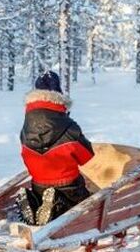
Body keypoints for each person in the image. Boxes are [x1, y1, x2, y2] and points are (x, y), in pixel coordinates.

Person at [17, 71, 95, 225]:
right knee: (84, 206)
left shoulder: (25, 129)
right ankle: (56, 204)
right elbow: (86, 156)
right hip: (69, 186)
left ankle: (35, 203)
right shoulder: (69, 127)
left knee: (42, 195)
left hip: (38, 184)